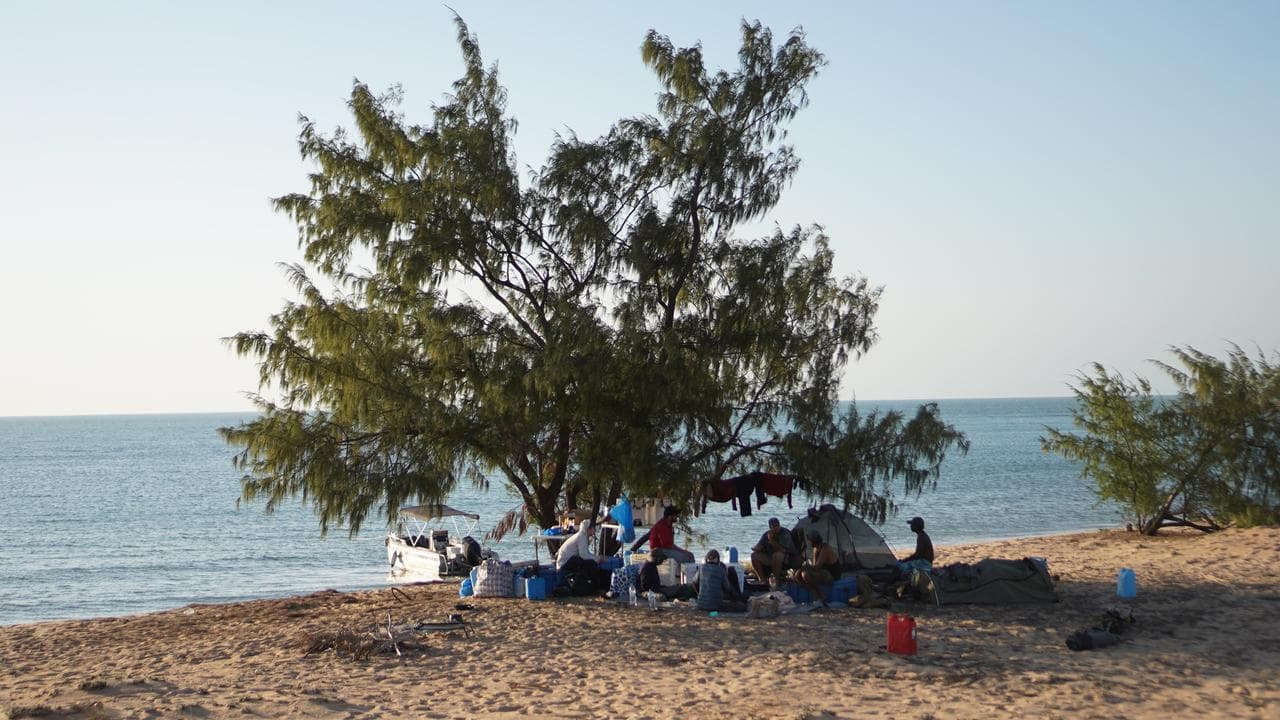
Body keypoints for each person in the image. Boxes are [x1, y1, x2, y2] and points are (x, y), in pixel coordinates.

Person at [750, 517, 801, 588]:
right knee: (754, 555)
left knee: (777, 555)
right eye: (773, 526)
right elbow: (760, 545)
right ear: (770, 527)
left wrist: (771, 541)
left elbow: (783, 550)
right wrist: (757, 548)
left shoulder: (784, 533)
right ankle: (762, 579)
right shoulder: (767, 534)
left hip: (788, 558)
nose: (775, 528)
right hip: (771, 557)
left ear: (779, 525)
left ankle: (776, 580)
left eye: (776, 526)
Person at [796, 531, 841, 606]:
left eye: (810, 541)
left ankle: (819, 595)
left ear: (814, 541)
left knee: (806, 575)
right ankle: (816, 594)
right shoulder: (816, 549)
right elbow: (814, 565)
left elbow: (817, 567)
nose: (809, 543)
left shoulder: (825, 549)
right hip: (823, 571)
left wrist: (803, 568)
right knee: (799, 576)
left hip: (832, 574)